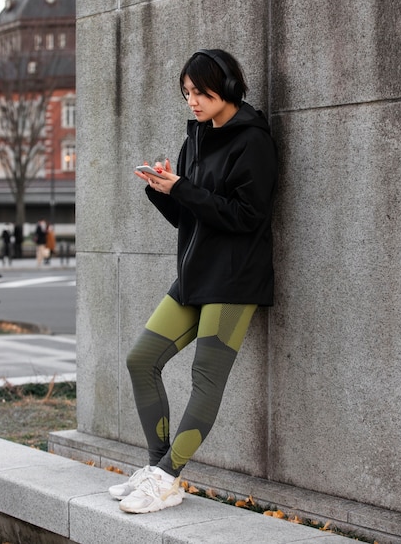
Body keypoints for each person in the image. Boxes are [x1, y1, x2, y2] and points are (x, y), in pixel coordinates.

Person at [109, 49, 277, 514]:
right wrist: (163, 188)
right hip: (194, 273)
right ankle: (156, 469)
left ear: (226, 86)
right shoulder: (197, 138)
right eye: (186, 94)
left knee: (206, 378)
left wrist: (185, 188)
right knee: (141, 359)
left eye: (200, 92)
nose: (193, 102)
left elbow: (247, 217)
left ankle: (167, 477)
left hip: (234, 280)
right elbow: (190, 215)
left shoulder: (253, 141)